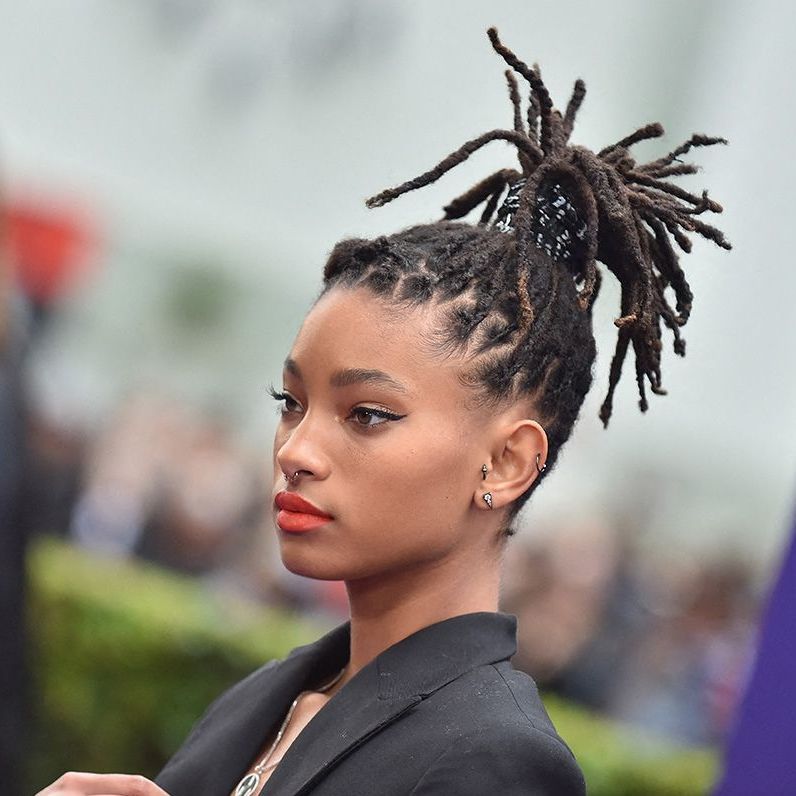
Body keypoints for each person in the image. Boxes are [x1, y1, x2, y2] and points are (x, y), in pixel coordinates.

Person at [37, 27, 729, 796]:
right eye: (290, 403)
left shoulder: (493, 758)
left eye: (367, 414)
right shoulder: (268, 698)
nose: (296, 450)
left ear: (506, 462)